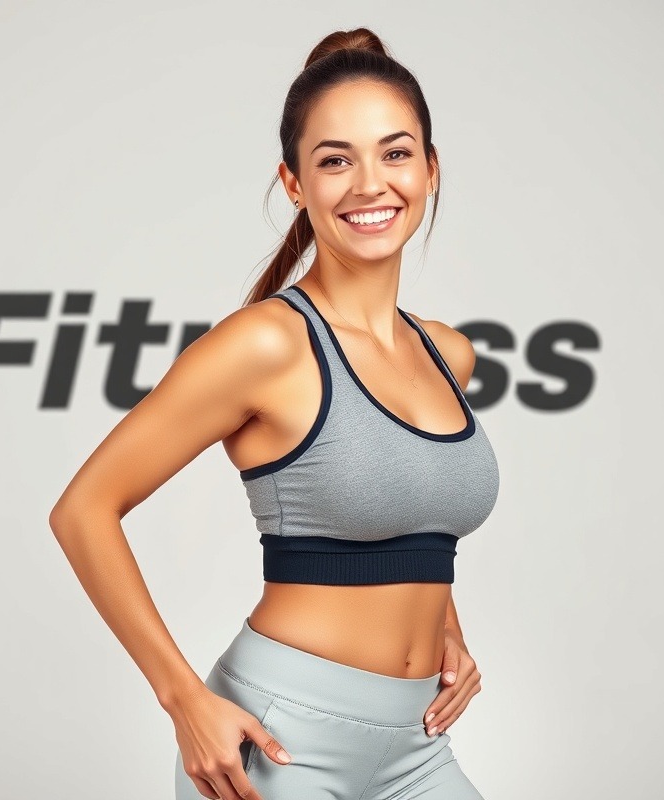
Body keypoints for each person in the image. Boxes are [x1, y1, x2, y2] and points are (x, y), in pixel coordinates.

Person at [49, 27, 500, 800]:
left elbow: (407, 511)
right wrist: (184, 700)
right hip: (282, 737)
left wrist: (444, 625)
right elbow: (83, 509)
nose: (370, 184)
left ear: (429, 168)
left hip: (418, 740)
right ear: (294, 183)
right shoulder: (265, 344)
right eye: (335, 160)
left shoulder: (448, 353)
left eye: (395, 154)